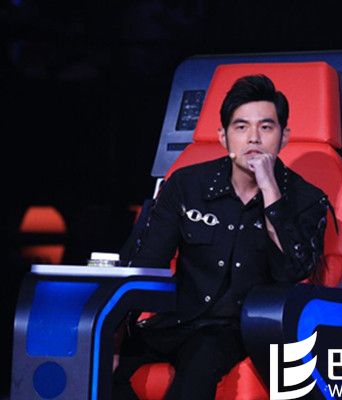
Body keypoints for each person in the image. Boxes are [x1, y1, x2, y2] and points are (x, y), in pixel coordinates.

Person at [113, 74, 329, 399]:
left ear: (284, 136)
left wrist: (270, 189)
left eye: (266, 127)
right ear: (223, 137)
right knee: (96, 364)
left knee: (197, 370)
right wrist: (114, 335)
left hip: (240, 329)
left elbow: (294, 270)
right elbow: (147, 262)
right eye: (241, 127)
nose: (253, 138)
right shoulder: (186, 185)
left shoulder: (306, 198)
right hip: (176, 319)